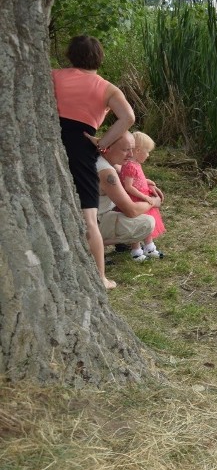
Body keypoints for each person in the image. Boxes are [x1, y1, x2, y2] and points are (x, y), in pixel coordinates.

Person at [52, 35, 136, 289]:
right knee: (89, 217)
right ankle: (100, 278)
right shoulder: (107, 88)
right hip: (80, 147)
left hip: (50, 139)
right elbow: (128, 117)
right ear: (100, 57)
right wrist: (103, 143)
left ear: (69, 55)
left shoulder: (53, 75)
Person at [96, 132, 162, 284]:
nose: (131, 154)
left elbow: (123, 173)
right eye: (126, 150)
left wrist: (145, 183)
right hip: (95, 222)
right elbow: (130, 210)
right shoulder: (106, 172)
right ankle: (92, 246)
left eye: (132, 149)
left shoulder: (105, 162)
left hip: (97, 216)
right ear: (108, 148)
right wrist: (153, 202)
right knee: (146, 223)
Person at [118, 131, 166, 261]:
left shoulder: (136, 164)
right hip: (135, 200)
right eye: (147, 151)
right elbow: (128, 186)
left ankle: (149, 247)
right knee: (138, 226)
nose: (148, 155)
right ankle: (136, 251)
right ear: (138, 151)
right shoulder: (129, 166)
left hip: (141, 197)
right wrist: (144, 197)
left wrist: (146, 182)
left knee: (147, 225)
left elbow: (137, 180)